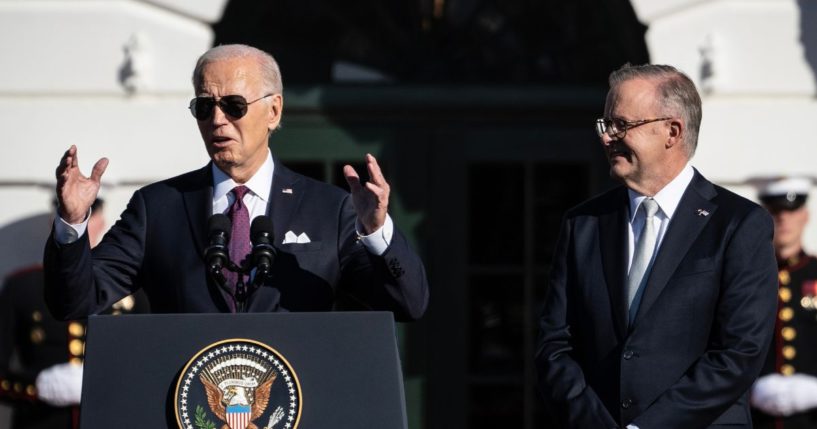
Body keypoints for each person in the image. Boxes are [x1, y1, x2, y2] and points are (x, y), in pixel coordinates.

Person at [43, 44, 428, 321]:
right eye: (205, 106)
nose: (218, 120)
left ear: (274, 110)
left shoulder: (330, 209)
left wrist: (377, 233)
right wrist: (71, 226)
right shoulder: (157, 207)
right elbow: (74, 304)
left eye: (234, 105)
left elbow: (407, 305)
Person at [535, 64, 779, 429]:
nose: (606, 138)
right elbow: (555, 345)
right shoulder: (584, 224)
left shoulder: (738, 225)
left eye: (621, 125)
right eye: (605, 125)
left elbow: (738, 354)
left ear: (672, 131)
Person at [1, 199, 148, 429]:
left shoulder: (132, 289)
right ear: (54, 222)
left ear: (101, 222)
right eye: (69, 216)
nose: (80, 223)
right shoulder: (22, 286)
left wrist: (113, 385)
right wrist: (36, 387)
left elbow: (149, 366)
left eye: (88, 215)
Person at [751, 176, 817, 428]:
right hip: (757, 419)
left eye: (792, 210)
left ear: (805, 215)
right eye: (776, 211)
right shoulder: (748, 276)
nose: (784, 219)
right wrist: (749, 390)